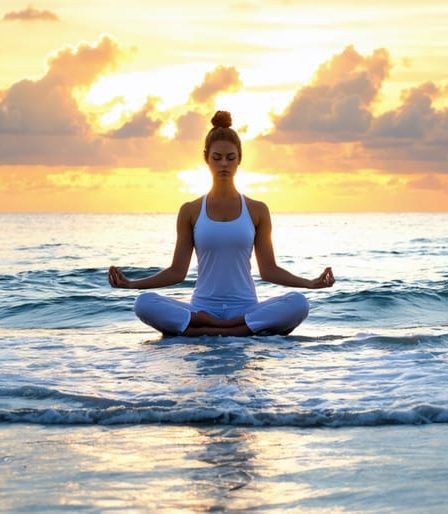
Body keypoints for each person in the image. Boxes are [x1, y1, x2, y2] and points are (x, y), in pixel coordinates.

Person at [109, 110, 335, 337]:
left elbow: (269, 270)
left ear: (240, 159)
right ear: (206, 158)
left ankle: (205, 329)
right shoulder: (191, 210)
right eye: (217, 158)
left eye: (230, 157)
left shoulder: (258, 210)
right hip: (201, 308)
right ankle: (238, 330)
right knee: (144, 303)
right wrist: (131, 284)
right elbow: (177, 272)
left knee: (299, 303)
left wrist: (309, 283)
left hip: (246, 308)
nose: (224, 164)